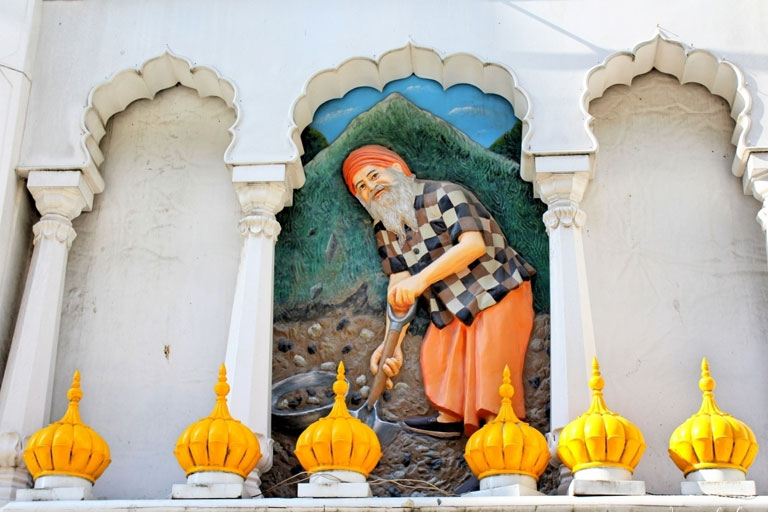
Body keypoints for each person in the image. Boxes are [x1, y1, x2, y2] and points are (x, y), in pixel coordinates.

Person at [342, 144, 535, 438]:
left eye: (373, 175)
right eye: (362, 187)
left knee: (493, 372)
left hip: (497, 288)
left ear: (397, 169)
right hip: (453, 304)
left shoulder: (445, 194)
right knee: (436, 356)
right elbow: (399, 287)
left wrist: (420, 282)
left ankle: (499, 444)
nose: (372, 187)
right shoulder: (385, 228)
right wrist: (390, 345)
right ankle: (452, 419)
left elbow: (473, 245)